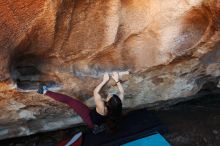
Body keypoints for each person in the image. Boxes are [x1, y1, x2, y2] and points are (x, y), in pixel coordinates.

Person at [37, 72, 124, 134]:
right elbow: (122, 92)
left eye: (111, 96)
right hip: (101, 119)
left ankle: (44, 91)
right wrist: (117, 80)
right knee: (101, 121)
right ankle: (100, 127)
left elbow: (95, 92)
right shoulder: (117, 106)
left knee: (70, 101)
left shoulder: (102, 108)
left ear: (108, 103)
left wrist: (104, 81)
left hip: (90, 119)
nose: (111, 94)